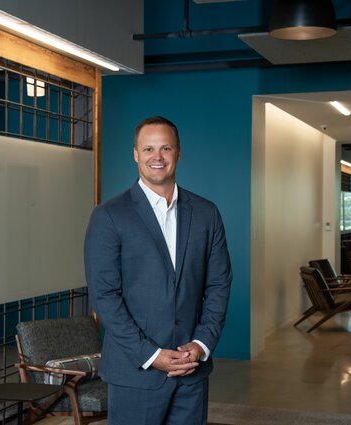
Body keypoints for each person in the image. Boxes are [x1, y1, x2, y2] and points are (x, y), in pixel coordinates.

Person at [84, 116, 232, 424]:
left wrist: (201, 344)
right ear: (136, 154)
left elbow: (219, 285)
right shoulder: (109, 216)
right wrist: (152, 356)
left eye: (166, 148)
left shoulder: (206, 213)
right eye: (148, 148)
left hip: (192, 370)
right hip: (135, 373)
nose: (157, 157)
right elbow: (105, 297)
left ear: (179, 153)